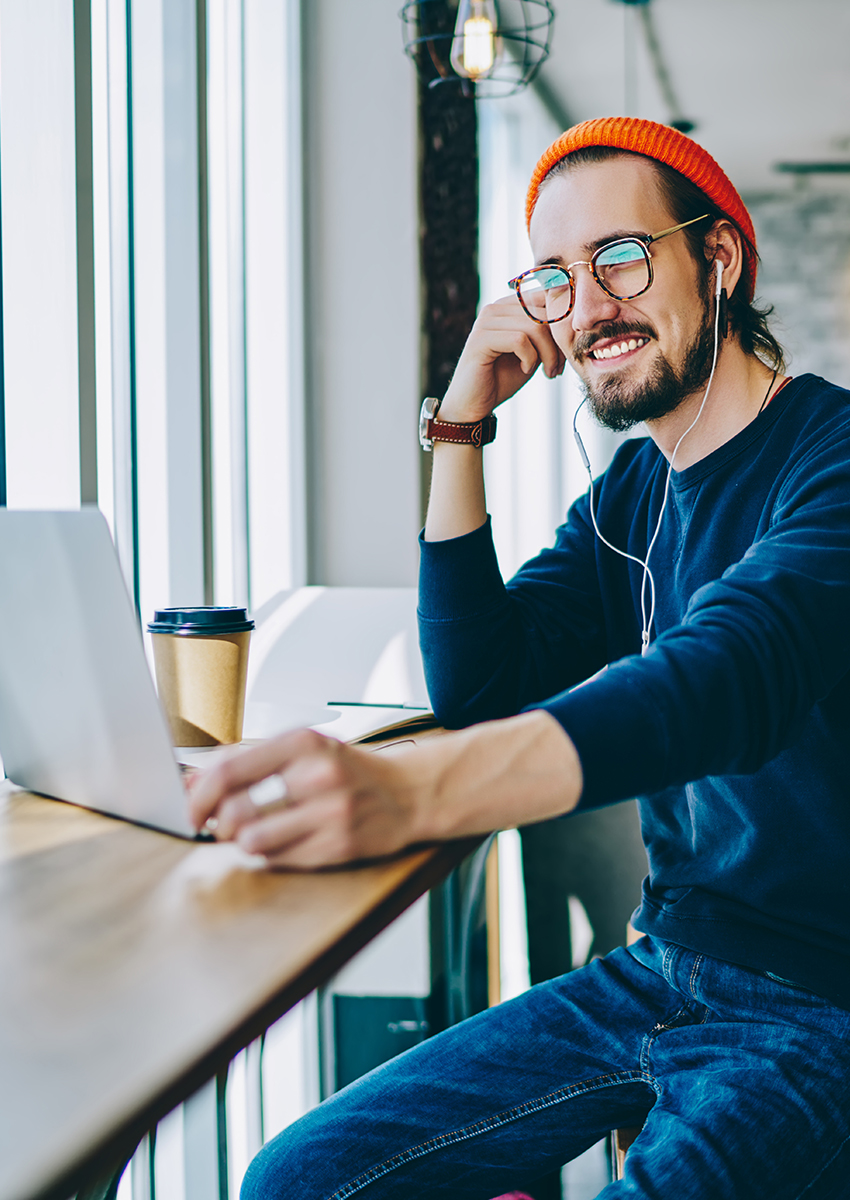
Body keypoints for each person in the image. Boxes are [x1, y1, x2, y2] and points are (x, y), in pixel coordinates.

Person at [189, 117, 850, 1198]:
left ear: (717, 258)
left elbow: (731, 676)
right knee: (298, 1180)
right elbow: (479, 681)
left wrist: (411, 792)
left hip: (818, 1002)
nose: (587, 308)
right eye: (554, 279)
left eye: (620, 261)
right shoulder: (634, 494)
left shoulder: (831, 458)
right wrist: (458, 424)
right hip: (656, 971)